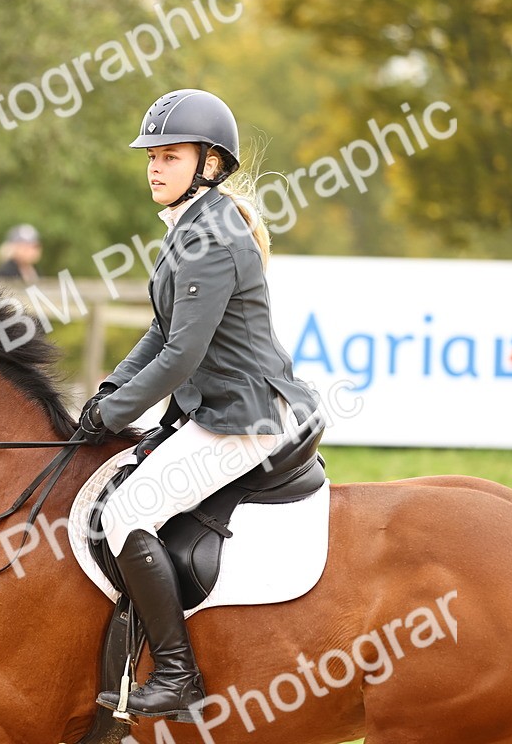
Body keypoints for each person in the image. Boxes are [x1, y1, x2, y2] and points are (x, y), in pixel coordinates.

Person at [78, 88, 322, 721]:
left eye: (171, 155)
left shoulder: (209, 238)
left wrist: (113, 413)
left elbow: (182, 357)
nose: (155, 166)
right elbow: (159, 334)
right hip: (212, 412)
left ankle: (179, 673)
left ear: (209, 164)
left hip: (242, 419)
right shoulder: (189, 227)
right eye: (151, 155)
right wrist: (110, 393)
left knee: (126, 512)